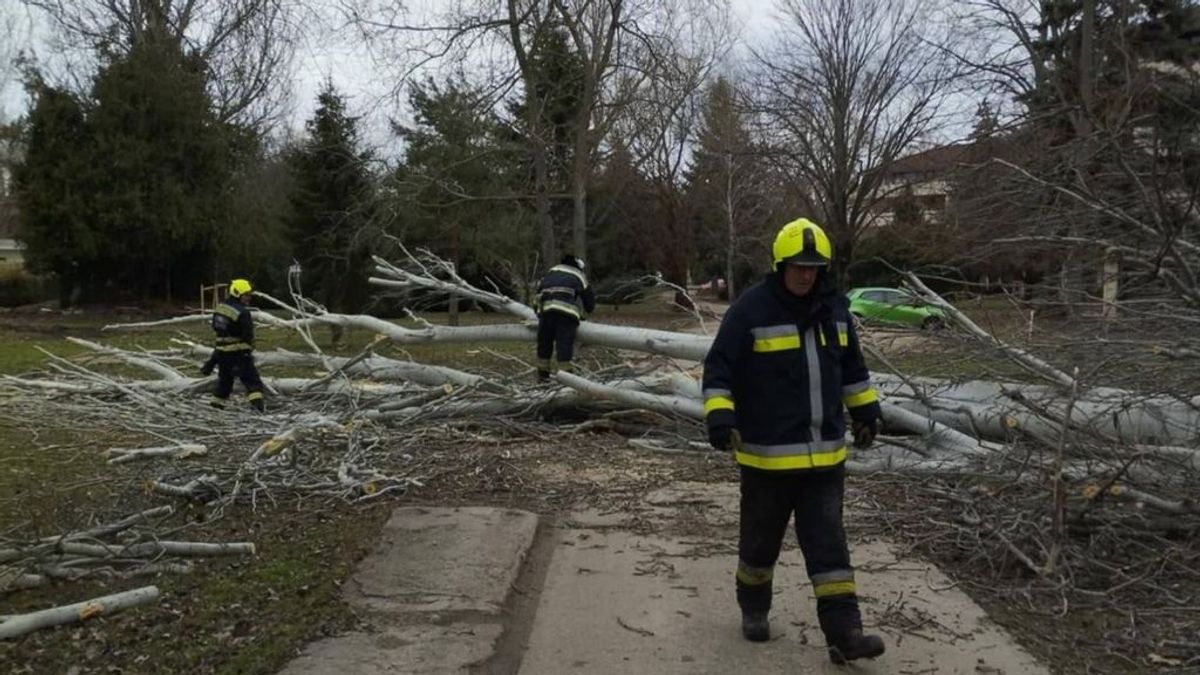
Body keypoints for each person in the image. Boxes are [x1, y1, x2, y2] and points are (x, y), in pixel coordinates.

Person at [701, 218, 886, 664]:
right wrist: (720, 419)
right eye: (799, 267)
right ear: (781, 265)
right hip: (767, 463)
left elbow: (854, 371)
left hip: (825, 460)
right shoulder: (750, 311)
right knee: (760, 546)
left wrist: (866, 412)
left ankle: (845, 634)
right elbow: (719, 370)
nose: (806, 275)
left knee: (829, 548)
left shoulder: (837, 311)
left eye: (814, 267)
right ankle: (754, 607)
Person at [534, 254, 596, 381]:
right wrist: (586, 312)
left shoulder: (551, 273)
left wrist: (538, 313)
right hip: (565, 315)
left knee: (544, 345)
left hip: (546, 314)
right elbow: (589, 299)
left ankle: (543, 377)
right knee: (564, 345)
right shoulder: (578, 275)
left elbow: (538, 295)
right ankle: (567, 379)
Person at [207, 278, 265, 412]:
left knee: (224, 385)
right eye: (246, 295)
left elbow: (217, 331)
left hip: (221, 354)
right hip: (239, 354)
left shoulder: (220, 309)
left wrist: (212, 361)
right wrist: (247, 351)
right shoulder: (243, 312)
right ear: (238, 293)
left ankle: (214, 410)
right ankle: (258, 411)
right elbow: (247, 335)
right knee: (253, 383)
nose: (248, 298)